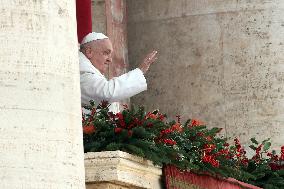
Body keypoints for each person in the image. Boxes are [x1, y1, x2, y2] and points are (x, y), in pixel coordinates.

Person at [79, 32, 157, 112]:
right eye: (106, 53)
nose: (110, 59)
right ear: (89, 52)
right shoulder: (82, 73)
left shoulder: (90, 73)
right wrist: (140, 71)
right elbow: (107, 94)